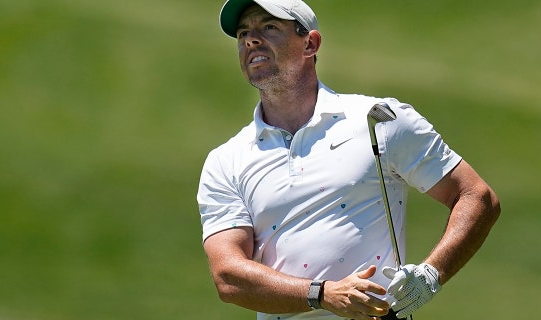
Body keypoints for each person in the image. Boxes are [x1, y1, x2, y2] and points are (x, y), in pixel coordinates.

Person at [197, 0, 501, 319]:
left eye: (269, 27)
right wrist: (322, 294)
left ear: (310, 44)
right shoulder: (226, 161)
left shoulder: (378, 119)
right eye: (244, 32)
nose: (251, 39)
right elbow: (228, 276)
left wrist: (431, 275)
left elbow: (475, 196)